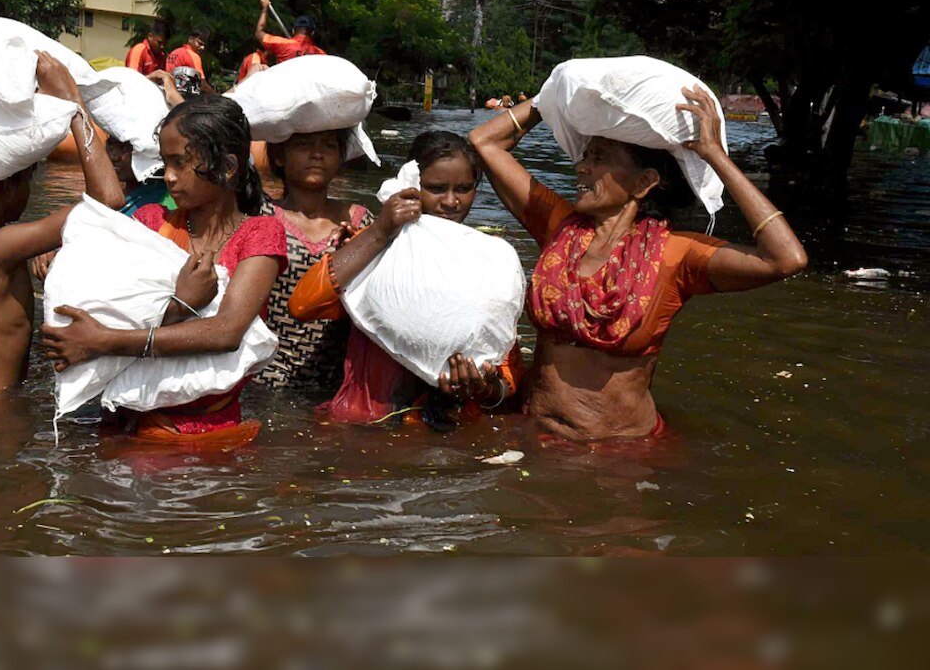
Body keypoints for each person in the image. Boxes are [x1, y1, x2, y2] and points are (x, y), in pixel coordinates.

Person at [468, 87, 808, 442]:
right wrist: (550, 99)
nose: (581, 166)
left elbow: (786, 258)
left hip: (621, 453)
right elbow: (484, 143)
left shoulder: (676, 254)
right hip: (534, 433)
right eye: (585, 155)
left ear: (644, 182)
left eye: (598, 158)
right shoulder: (560, 227)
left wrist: (714, 155)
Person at [40, 95, 287, 444]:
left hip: (204, 432)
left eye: (180, 163)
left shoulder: (260, 233)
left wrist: (104, 341)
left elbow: (226, 332)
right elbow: (110, 300)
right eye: (164, 162)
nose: (168, 177)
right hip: (122, 420)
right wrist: (63, 261)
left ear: (228, 167)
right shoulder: (149, 222)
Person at [289, 131, 525, 428]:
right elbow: (303, 305)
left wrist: (485, 389)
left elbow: (508, 367)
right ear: (411, 184)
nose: (451, 202)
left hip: (446, 431)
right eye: (436, 188)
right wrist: (379, 231)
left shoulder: (489, 261)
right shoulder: (376, 247)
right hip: (368, 426)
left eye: (464, 188)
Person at [0, 52, 126, 393]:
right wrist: (72, 102)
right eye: (26, 180)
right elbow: (109, 199)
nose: (28, 190)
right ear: (4, 185)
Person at [30, 70, 185, 282]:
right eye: (112, 143)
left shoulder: (167, 203)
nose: (114, 155)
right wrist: (53, 242)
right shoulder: (127, 195)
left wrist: (177, 101)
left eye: (125, 147)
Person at [255, 129, 373, 390]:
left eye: (329, 146)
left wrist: (355, 249)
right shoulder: (261, 216)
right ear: (280, 157)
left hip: (335, 381)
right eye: (303, 145)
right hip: (266, 377)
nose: (317, 154)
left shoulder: (359, 222)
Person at [255, 0, 326, 63]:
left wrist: (265, 9)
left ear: (293, 31)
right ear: (312, 33)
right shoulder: (320, 54)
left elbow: (259, 32)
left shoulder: (282, 44)